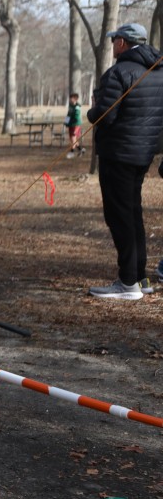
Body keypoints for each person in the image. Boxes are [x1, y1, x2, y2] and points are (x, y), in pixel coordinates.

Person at [86, 23, 163, 300]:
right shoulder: (158, 70)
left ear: (123, 42)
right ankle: (140, 278)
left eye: (114, 40)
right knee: (132, 212)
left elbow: (105, 115)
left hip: (118, 154)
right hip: (143, 155)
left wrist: (92, 111)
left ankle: (128, 282)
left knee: (119, 217)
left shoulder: (118, 72)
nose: (112, 45)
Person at [65, 93, 84, 158]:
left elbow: (77, 115)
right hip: (71, 124)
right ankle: (81, 149)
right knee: (72, 139)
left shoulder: (77, 106)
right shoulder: (70, 106)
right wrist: (66, 122)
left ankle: (71, 152)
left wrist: (74, 117)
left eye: (72, 98)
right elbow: (68, 114)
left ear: (75, 99)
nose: (70, 99)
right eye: (70, 98)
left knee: (73, 138)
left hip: (76, 124)